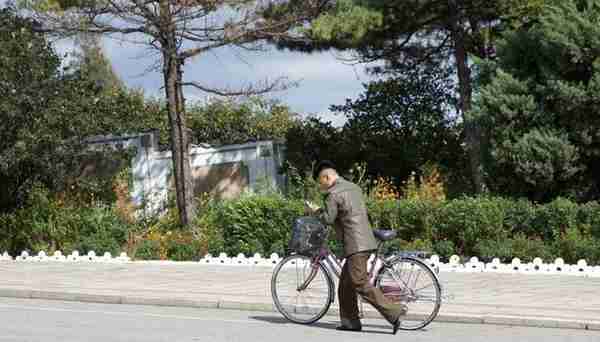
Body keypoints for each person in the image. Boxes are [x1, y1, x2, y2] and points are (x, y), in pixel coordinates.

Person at [305, 160, 407, 334]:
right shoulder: (354, 187)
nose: (322, 187)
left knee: (359, 282)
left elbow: (329, 219)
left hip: (355, 244)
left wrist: (315, 211)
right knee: (345, 284)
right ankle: (350, 322)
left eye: (321, 183)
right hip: (365, 240)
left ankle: (394, 312)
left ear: (327, 177)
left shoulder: (333, 193)